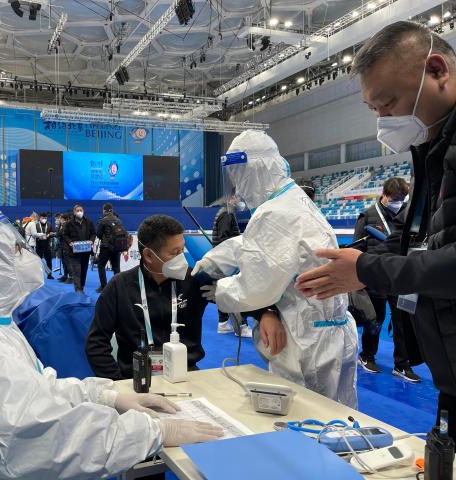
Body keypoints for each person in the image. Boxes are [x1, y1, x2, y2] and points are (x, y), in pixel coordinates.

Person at [0, 210, 222, 480]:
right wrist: (153, 433)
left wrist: (106, 396)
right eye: (16, 251)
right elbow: (42, 437)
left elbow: (39, 388)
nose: (27, 258)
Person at [295, 21, 456, 439]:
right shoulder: (433, 150)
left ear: (437, 70)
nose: (384, 120)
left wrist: (366, 269)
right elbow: (424, 243)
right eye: (374, 109)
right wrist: (359, 263)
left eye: (388, 103)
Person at [192, 129, 358, 408]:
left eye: (239, 174)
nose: (237, 185)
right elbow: (260, 244)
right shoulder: (291, 200)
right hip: (329, 332)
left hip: (307, 339)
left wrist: (219, 290)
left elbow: (255, 289)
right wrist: (218, 258)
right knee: (341, 413)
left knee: (308, 416)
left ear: (256, 170)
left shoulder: (274, 213)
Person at [86, 215, 207, 380]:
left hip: (187, 374)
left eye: (182, 250)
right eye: (175, 253)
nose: (182, 259)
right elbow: (96, 343)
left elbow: (240, 303)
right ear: (149, 255)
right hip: (136, 378)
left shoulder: (194, 280)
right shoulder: (119, 287)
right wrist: (118, 383)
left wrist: (225, 287)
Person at [352, 177, 420, 382]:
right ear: (384, 194)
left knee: (402, 322)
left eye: (401, 199)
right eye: (394, 199)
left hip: (399, 276)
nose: (397, 202)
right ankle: (367, 355)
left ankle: (402, 365)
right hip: (375, 277)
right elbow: (357, 248)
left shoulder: (409, 215)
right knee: (376, 319)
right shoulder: (368, 215)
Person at [211, 195, 252, 337]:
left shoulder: (225, 212)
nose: (239, 201)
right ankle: (242, 327)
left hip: (223, 259)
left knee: (224, 290)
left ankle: (223, 323)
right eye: (237, 198)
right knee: (236, 290)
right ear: (230, 198)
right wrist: (240, 242)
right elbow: (224, 238)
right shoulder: (227, 214)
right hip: (228, 260)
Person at [63, 205, 96, 293]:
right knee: (77, 271)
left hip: (86, 251)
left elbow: (93, 233)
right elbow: (65, 235)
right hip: (74, 252)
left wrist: (91, 240)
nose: (79, 212)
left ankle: (81, 287)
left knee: (84, 271)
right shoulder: (69, 223)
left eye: (81, 210)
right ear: (74, 212)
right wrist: (70, 242)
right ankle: (78, 289)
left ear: (83, 211)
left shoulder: (88, 222)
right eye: (77, 210)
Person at [95, 202, 127, 293]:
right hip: (117, 247)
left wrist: (105, 239)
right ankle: (119, 287)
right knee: (116, 267)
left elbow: (98, 234)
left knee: (101, 266)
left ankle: (103, 286)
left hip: (106, 247)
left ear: (104, 210)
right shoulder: (118, 220)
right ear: (112, 210)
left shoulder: (103, 220)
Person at [35, 212, 55, 280]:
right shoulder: (36, 225)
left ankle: (49, 274)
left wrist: (51, 234)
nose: (44, 219)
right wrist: (38, 237)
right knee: (38, 261)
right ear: (40, 218)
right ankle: (38, 275)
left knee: (49, 261)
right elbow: (34, 234)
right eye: (43, 218)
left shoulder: (49, 224)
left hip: (47, 245)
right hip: (39, 245)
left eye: (45, 218)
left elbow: (52, 233)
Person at [55, 213, 73, 284]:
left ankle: (71, 277)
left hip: (66, 247)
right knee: (64, 263)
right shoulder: (64, 225)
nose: (59, 220)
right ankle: (65, 276)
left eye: (60, 218)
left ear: (63, 219)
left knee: (67, 263)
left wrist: (57, 226)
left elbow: (58, 234)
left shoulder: (66, 225)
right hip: (63, 246)